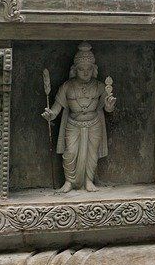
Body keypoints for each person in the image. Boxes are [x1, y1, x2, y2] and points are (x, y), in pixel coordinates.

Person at [41, 43, 116, 193]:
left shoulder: (100, 86)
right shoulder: (67, 86)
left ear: (94, 69)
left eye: (89, 69)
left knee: (92, 154)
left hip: (94, 123)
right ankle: (69, 181)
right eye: (81, 69)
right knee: (70, 153)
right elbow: (57, 108)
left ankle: (89, 181)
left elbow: (107, 108)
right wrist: (51, 114)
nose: (85, 72)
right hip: (73, 123)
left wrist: (109, 104)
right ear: (75, 70)